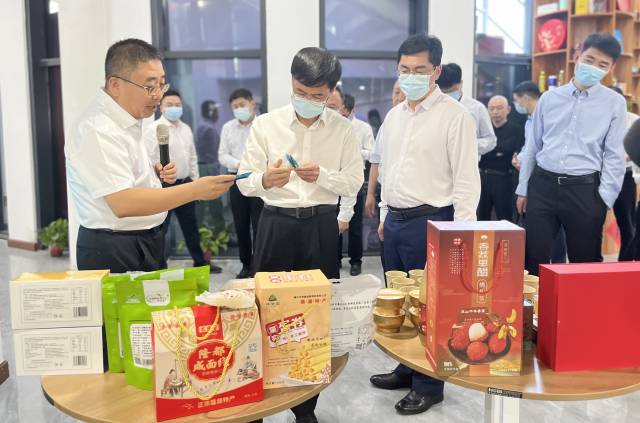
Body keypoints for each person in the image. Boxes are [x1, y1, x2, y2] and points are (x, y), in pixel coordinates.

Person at [237, 47, 363, 423]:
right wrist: (264, 179)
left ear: (331, 92)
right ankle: (258, 401)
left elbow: (354, 180)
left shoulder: (343, 130)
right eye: (302, 93)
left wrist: (321, 175)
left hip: (321, 227)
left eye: (318, 96)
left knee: (313, 316)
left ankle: (305, 407)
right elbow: (243, 181)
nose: (309, 102)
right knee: (266, 312)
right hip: (275, 223)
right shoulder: (266, 124)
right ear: (291, 83)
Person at [369, 34, 480, 415]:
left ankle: (430, 384)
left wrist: (459, 237)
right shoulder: (395, 115)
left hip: (433, 222)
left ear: (437, 71)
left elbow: (467, 181)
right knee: (399, 304)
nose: (410, 76)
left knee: (430, 306)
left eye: (419, 70)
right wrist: (384, 214)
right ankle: (407, 367)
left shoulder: (455, 116)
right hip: (396, 222)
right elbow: (388, 170)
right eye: (404, 70)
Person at [66, 38, 235, 274]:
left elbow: (125, 174)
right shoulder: (97, 129)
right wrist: (195, 190)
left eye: (161, 85)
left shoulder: (128, 119)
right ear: (115, 85)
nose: (157, 95)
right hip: (114, 247)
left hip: (142, 240)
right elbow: (122, 202)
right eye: (149, 86)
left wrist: (152, 174)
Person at [516, 32, 627, 275]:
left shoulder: (614, 103)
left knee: (584, 263)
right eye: (589, 59)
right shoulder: (549, 98)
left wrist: (603, 200)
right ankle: (535, 312)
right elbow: (533, 145)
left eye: (602, 65)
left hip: (584, 190)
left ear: (611, 68)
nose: (593, 67)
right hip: (542, 186)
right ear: (578, 55)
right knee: (533, 259)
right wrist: (523, 189)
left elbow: (614, 155)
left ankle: (580, 313)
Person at [143, 89, 220, 272]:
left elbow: (192, 156)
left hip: (185, 184)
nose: (174, 108)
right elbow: (147, 159)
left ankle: (200, 262)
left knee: (191, 226)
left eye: (177, 105)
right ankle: (159, 266)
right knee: (161, 228)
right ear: (161, 107)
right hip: (164, 187)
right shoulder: (153, 129)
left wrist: (195, 182)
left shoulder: (185, 128)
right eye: (169, 105)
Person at [512, 81, 568, 263]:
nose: (516, 105)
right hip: (532, 177)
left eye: (516, 100)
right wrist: (520, 159)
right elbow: (530, 148)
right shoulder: (529, 120)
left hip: (548, 177)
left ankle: (558, 266)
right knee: (537, 229)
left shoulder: (547, 115)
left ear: (526, 98)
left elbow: (545, 149)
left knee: (555, 227)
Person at [326, 89, 374, 276]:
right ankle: (335, 258)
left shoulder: (363, 128)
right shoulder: (331, 126)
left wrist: (353, 151)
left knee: (354, 224)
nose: (341, 112)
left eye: (344, 108)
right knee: (333, 222)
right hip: (333, 179)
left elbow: (371, 153)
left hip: (355, 179)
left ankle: (355, 261)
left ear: (351, 109)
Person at [218, 88, 264, 278]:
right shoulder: (228, 127)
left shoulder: (263, 125)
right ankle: (246, 265)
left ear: (252, 103)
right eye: (235, 107)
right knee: (241, 225)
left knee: (260, 225)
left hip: (260, 181)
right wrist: (239, 164)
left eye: (242, 105)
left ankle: (260, 265)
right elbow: (222, 155)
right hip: (236, 180)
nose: (239, 109)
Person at [365, 81, 406, 281]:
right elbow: (376, 161)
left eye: (402, 93)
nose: (398, 97)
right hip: (388, 204)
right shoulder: (388, 123)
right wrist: (371, 194)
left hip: (419, 211)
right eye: (395, 92)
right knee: (391, 271)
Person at [478, 95, 524, 221]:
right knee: (481, 218)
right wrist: (501, 150)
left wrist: (492, 149)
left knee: (505, 218)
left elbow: (516, 154)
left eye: (499, 108)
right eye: (491, 108)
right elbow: (479, 151)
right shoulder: (483, 129)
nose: (495, 112)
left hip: (505, 179)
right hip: (482, 178)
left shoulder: (517, 129)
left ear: (508, 109)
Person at [438, 62, 497, 159]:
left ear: (461, 83)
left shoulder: (477, 108)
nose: (447, 94)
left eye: (451, 91)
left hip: (468, 163)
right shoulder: (434, 107)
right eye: (444, 92)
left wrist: (467, 144)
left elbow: (490, 140)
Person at [609, 86, 638, 261]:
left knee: (627, 224)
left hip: (625, 176)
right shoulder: (597, 120)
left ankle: (624, 264)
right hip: (598, 176)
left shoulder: (634, 121)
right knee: (591, 225)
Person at [196, 100, 225, 232]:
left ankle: (204, 230)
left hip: (204, 167)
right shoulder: (209, 129)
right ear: (211, 111)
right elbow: (213, 153)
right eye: (216, 110)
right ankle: (218, 233)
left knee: (203, 203)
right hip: (208, 167)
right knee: (214, 202)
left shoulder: (201, 126)